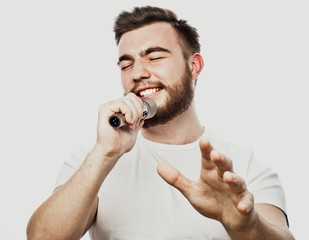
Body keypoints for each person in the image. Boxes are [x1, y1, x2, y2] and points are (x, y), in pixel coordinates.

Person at [26, 6, 295, 240]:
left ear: (195, 66)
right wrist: (105, 153)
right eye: (126, 64)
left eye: (154, 57)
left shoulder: (245, 167)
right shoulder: (93, 160)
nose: (138, 73)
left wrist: (246, 225)